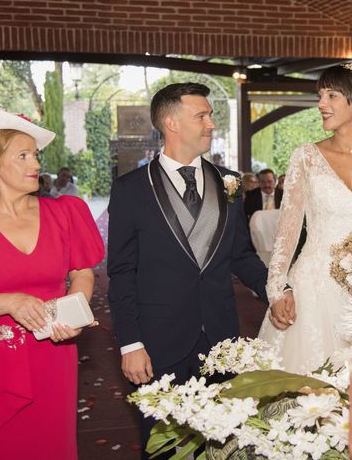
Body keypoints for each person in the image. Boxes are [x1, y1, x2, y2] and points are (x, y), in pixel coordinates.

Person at [107, 82, 270, 456]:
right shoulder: (131, 189)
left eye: (210, 115)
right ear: (171, 122)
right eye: (202, 116)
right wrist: (131, 343)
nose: (211, 124)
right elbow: (122, 272)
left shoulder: (228, 183)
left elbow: (241, 255)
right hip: (158, 343)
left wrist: (275, 289)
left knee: (222, 444)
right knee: (164, 445)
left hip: (219, 338)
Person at [0, 106, 104, 459]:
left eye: (36, 155)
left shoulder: (64, 212)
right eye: (23, 156)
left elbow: (82, 273)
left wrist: (72, 316)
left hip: (53, 354)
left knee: (52, 446)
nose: (36, 164)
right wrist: (10, 302)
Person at [258, 64, 352, 374]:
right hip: (312, 289)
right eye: (320, 96)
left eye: (331, 95)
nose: (321, 104)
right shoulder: (305, 157)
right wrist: (276, 289)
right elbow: (287, 234)